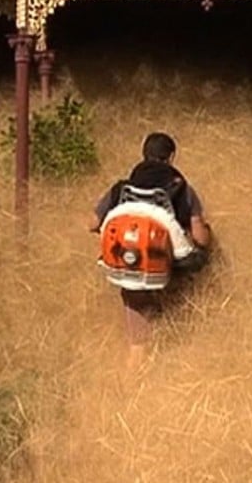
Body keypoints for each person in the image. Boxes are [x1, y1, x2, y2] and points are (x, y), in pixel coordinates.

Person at [89, 132, 212, 365]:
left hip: (126, 257)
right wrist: (208, 236)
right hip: (163, 260)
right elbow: (200, 238)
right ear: (171, 158)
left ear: (143, 155)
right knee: (191, 262)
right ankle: (174, 335)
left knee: (133, 291)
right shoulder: (182, 187)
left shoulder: (121, 187)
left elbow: (92, 224)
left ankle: (136, 357)